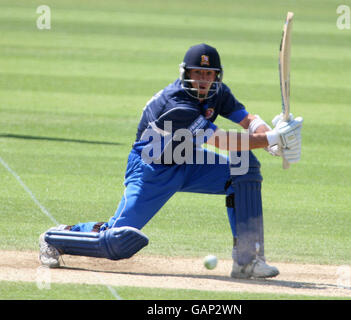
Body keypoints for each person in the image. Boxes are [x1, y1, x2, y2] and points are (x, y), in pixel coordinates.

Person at [39, 43, 303, 279]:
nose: (202, 80)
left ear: (216, 76)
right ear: (185, 73)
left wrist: (271, 136)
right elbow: (222, 141)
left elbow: (247, 120)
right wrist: (272, 138)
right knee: (116, 243)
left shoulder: (217, 92)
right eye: (197, 73)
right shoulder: (177, 104)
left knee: (244, 168)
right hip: (152, 167)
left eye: (208, 74)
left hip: (188, 160)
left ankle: (248, 260)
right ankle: (56, 237)